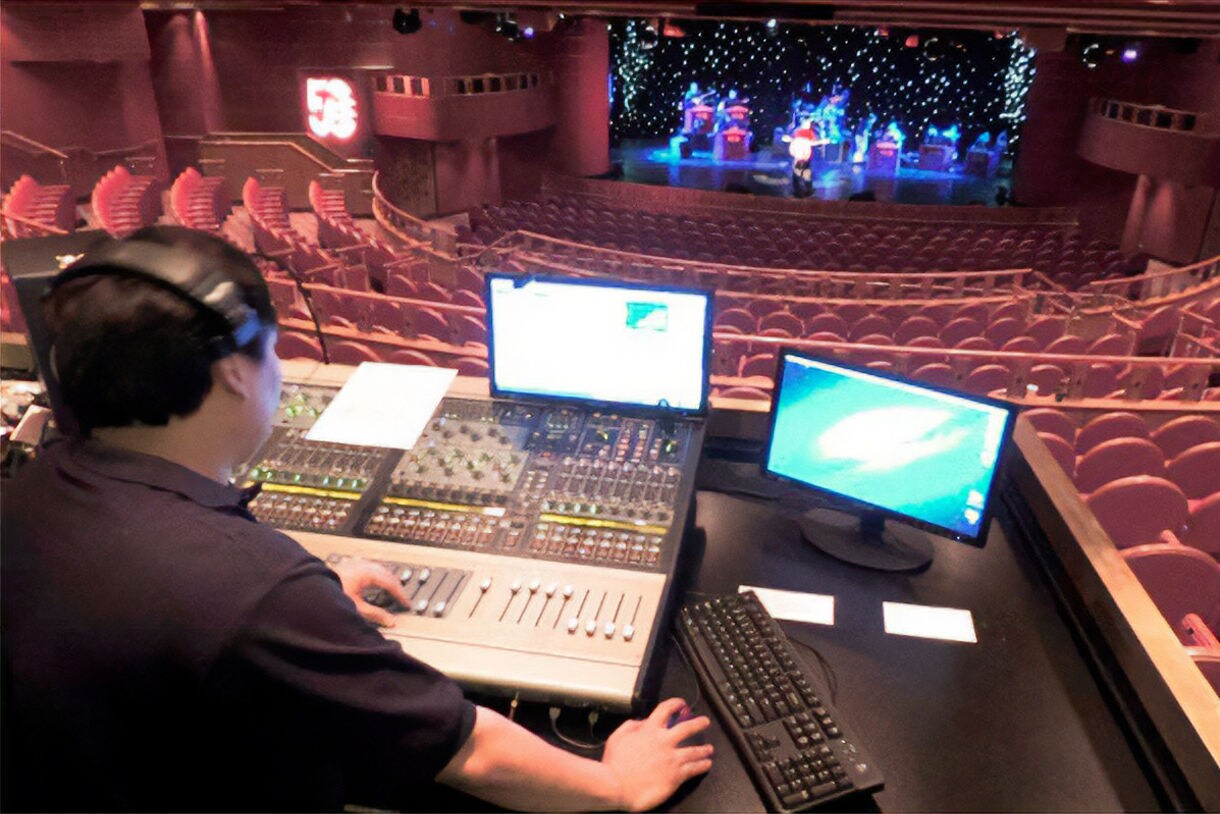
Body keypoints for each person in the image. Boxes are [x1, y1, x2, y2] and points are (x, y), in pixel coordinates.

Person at [0, 226, 713, 812]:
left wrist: (304, 611)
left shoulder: (27, 493)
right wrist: (615, 782)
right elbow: (473, 754)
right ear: (234, 372)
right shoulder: (254, 592)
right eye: (273, 349)